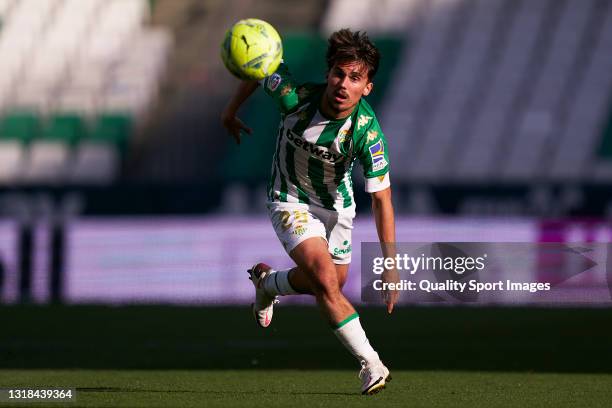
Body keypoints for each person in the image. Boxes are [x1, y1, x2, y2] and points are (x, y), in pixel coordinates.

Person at [221, 28, 398, 395]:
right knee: (324, 278)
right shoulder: (294, 98)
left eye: (355, 78)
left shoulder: (367, 134)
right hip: (289, 198)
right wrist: (230, 111)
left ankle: (267, 283)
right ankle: (372, 363)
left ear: (367, 88)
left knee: (334, 281)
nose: (343, 84)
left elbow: (382, 199)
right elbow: (261, 68)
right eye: (338, 73)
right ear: (328, 72)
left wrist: (390, 264)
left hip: (337, 207)